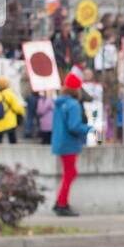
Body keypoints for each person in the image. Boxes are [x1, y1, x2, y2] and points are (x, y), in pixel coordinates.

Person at [52, 73, 91, 217]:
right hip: (69, 143)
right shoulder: (74, 104)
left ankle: (60, 202)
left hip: (60, 142)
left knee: (70, 173)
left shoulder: (59, 102)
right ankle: (61, 203)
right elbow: (74, 126)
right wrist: (90, 129)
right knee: (70, 173)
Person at [0, 75, 24, 144]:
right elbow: (17, 107)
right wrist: (22, 112)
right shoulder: (10, 94)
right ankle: (14, 153)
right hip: (9, 122)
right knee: (12, 141)